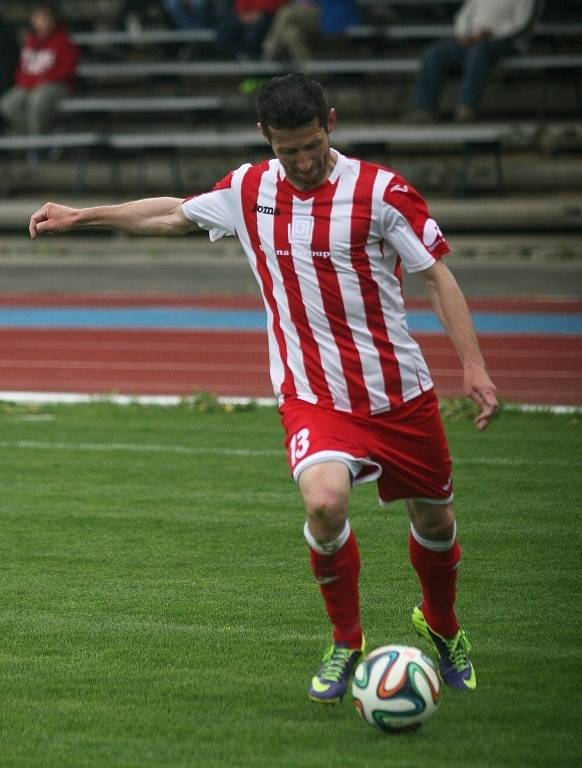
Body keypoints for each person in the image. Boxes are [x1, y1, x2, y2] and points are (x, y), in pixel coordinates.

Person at [29, 73, 498, 703]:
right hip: (311, 393)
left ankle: (441, 627)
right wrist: (83, 216)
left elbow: (437, 278)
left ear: (329, 123)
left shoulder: (381, 191)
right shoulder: (250, 189)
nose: (302, 162)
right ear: (265, 138)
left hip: (398, 393)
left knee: (436, 522)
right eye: (287, 150)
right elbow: (171, 212)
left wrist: (473, 366)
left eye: (311, 145)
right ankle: (345, 640)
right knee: (325, 503)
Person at [411, 0, 542, 122]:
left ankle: (466, 106)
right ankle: (424, 108)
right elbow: (463, 16)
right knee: (435, 53)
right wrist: (463, 33)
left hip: (506, 41)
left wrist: (491, 34)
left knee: (479, 53)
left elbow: (522, 22)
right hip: (473, 39)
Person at [0, 2, 79, 136]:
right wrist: (31, 82)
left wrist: (45, 79)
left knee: (37, 101)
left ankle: (38, 143)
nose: (41, 22)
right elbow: (22, 69)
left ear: (53, 20)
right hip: (30, 85)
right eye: (38, 18)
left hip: (56, 85)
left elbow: (67, 70)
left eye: (45, 18)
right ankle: (33, 134)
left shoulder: (64, 41)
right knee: (7, 105)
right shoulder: (31, 41)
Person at [263, 0, 361, 65]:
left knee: (285, 12)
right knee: (291, 34)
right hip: (308, 13)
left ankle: (270, 52)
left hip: (329, 12)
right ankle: (311, 74)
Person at [216, 0, 289, 61]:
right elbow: (240, 4)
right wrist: (243, 12)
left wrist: (260, 12)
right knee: (224, 31)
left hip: (270, 15)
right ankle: (241, 54)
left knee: (253, 31)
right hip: (247, 14)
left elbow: (281, 4)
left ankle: (257, 55)